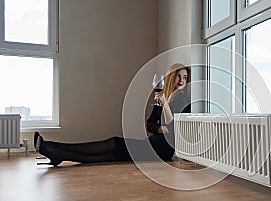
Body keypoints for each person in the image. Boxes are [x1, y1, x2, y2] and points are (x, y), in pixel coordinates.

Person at [34, 63, 191, 167]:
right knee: (109, 156)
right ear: (171, 76)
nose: (182, 80)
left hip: (162, 151)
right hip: (151, 143)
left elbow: (176, 129)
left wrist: (164, 107)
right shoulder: (162, 97)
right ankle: (56, 152)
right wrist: (160, 127)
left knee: (113, 143)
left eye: (185, 77)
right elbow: (149, 124)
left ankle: (52, 148)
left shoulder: (183, 100)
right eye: (179, 76)